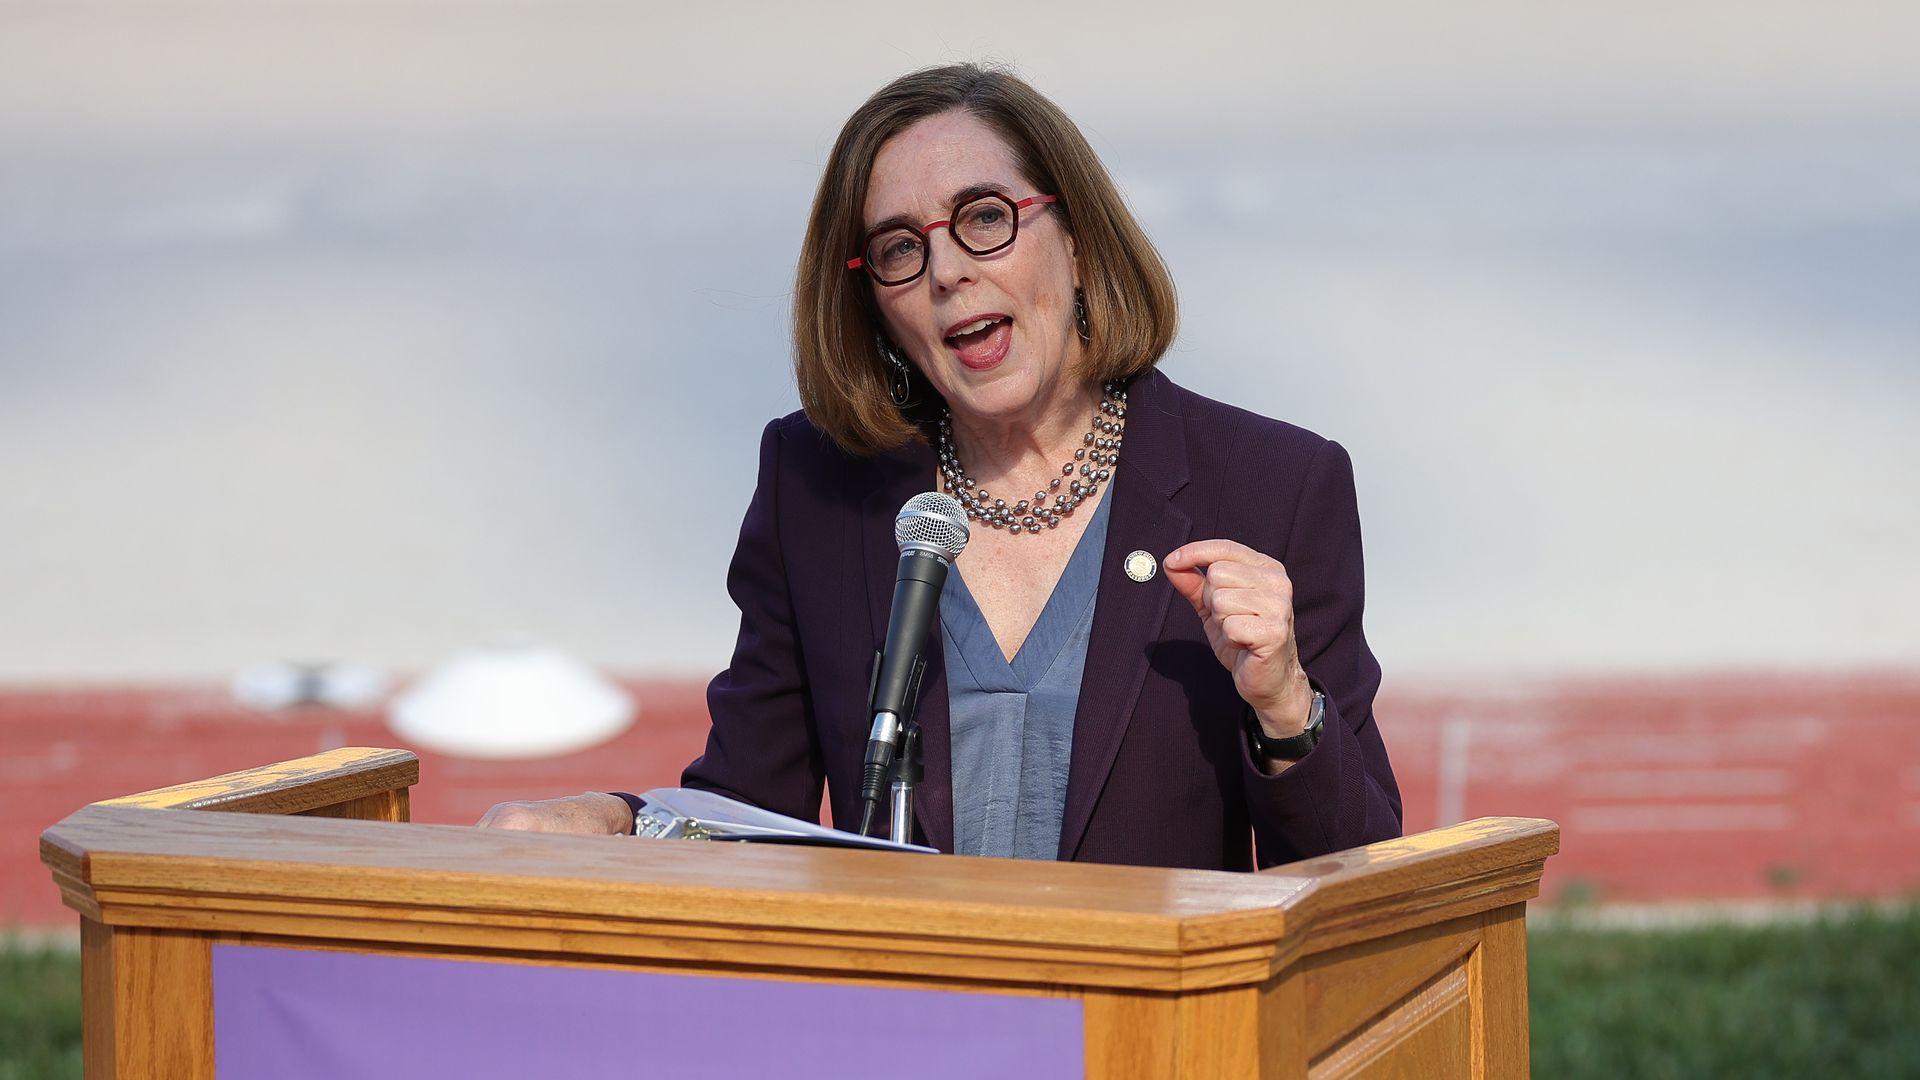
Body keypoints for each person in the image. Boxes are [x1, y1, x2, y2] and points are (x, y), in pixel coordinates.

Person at [478, 64, 1401, 869]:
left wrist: (1286, 706)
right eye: (899, 249)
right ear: (878, 309)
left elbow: (1356, 877)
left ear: (1078, 241)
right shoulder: (817, 488)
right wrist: (614, 820)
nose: (947, 270)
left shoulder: (1274, 485)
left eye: (985, 218)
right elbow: (749, 812)